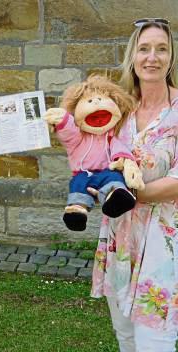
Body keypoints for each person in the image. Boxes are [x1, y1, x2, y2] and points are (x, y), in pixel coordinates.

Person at [89, 18, 178, 352]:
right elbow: (94, 159)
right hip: (120, 237)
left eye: (161, 49)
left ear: (171, 57)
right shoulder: (118, 108)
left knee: (156, 340)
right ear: (132, 55)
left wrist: (126, 193)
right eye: (144, 49)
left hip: (164, 240)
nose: (151, 57)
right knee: (125, 336)